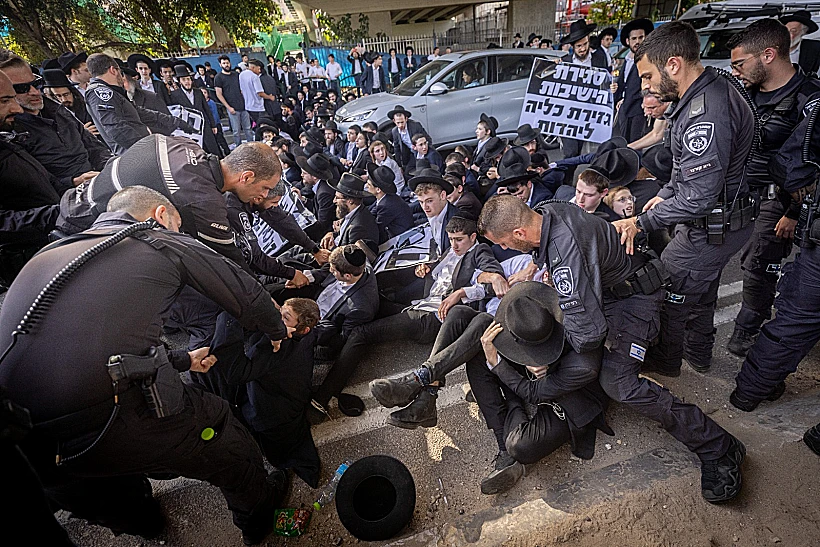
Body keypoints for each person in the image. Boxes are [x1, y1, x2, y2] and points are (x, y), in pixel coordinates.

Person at [1, 186, 289, 545]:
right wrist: (276, 330)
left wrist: (183, 359)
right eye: (177, 225)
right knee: (219, 431)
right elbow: (243, 291)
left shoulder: (53, 253)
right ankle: (258, 517)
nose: (179, 233)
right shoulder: (156, 239)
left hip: (29, 441)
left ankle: (146, 523)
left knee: (103, 488)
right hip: (111, 418)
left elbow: (98, 342)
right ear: (160, 215)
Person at [479, 195, 746, 503]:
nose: (508, 250)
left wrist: (551, 359)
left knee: (619, 383)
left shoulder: (565, 252)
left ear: (519, 234)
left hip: (634, 300)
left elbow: (589, 333)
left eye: (506, 244)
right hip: (615, 288)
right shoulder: (548, 212)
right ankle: (653, 356)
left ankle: (718, 446)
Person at [612, 21, 757, 376]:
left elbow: (698, 198)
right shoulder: (709, 88)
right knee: (702, 293)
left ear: (673, 65)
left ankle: (666, 363)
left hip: (709, 226)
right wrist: (664, 194)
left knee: (667, 293)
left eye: (647, 76)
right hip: (718, 221)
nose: (646, 86)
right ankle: (699, 354)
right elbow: (685, 170)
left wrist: (640, 222)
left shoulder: (704, 113)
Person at [317, 216, 503, 419]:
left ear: (473, 237)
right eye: (451, 239)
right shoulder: (451, 251)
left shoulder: (479, 251)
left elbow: (494, 280)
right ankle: (333, 348)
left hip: (431, 317)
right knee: (370, 310)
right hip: (419, 304)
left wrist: (461, 292)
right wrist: (428, 270)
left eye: (459, 239)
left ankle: (323, 396)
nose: (454, 244)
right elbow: (444, 274)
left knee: (362, 333)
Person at [730, 34, 820, 412]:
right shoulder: (742, 92)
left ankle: (748, 331)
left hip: (780, 203)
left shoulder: (810, 99)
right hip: (742, 193)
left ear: (768, 55)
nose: (735, 71)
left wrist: (794, 211)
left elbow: (800, 168)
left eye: (740, 63)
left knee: (761, 266)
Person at [57, 135, 282, 269]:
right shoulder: (205, 202)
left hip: (73, 198)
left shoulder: (186, 144)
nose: (262, 196)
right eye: (265, 188)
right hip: (81, 233)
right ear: (246, 177)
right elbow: (231, 264)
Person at [210, 298, 321, 488]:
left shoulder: (275, 348)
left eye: (285, 318)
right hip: (289, 400)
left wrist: (228, 317)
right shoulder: (304, 335)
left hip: (272, 411)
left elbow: (236, 373)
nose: (277, 319)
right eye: (280, 312)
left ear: (302, 329)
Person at [1, 54, 110, 184]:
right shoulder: (10, 133)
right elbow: (36, 187)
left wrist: (109, 167)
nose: (35, 92)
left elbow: (93, 146)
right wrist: (73, 182)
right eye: (21, 88)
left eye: (37, 84)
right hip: (67, 198)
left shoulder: (58, 110)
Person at [83, 53, 193, 155]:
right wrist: (145, 149)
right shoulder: (100, 93)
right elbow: (117, 128)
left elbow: (139, 112)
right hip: (136, 155)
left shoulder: (112, 92)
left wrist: (176, 122)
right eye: (121, 73)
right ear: (113, 70)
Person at [558, 19, 610, 170]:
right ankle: (565, 182)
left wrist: (610, 88)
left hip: (588, 114)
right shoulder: (564, 62)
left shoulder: (599, 59)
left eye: (585, 44)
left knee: (581, 152)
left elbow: (605, 82)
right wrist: (553, 70)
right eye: (579, 46)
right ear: (572, 46)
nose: (582, 49)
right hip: (568, 115)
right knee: (570, 152)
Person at [612, 18, 655, 143]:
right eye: (634, 39)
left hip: (639, 109)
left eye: (641, 37)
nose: (638, 42)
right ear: (627, 41)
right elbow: (623, 83)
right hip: (625, 110)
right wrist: (617, 95)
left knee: (636, 146)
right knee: (624, 144)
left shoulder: (650, 59)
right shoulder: (627, 60)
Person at [318, 172, 380, 253]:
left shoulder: (358, 228)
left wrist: (332, 249)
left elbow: (348, 259)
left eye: (337, 198)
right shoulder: (353, 212)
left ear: (350, 200)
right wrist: (333, 234)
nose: (334, 201)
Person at [169, 64, 221, 156]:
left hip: (204, 126)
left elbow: (206, 109)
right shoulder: (175, 95)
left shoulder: (198, 92)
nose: (187, 82)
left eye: (188, 79)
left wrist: (213, 125)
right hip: (188, 130)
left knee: (213, 150)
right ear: (179, 81)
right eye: (184, 79)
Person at [366, 162, 414, 242]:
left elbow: (376, 228)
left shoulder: (386, 205)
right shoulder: (383, 198)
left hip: (401, 237)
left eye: (369, 184)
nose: (366, 186)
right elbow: (372, 212)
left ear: (378, 190)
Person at [295, 152, 337, 238]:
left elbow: (322, 224)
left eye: (305, 173)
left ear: (314, 176)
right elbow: (316, 206)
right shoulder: (320, 187)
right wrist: (303, 199)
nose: (301, 175)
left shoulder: (324, 193)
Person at [215, 55, 253, 146]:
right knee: (236, 131)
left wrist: (246, 102)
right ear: (220, 65)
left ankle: (252, 146)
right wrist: (228, 107)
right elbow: (218, 94)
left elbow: (242, 89)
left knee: (248, 129)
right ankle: (239, 148)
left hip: (243, 106)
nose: (226, 65)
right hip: (232, 108)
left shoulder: (236, 75)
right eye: (224, 63)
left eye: (227, 63)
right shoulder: (218, 77)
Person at [779, 9, 820, 75]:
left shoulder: (814, 49)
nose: (788, 35)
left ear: (803, 32)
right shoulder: (773, 46)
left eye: (793, 31)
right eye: (786, 30)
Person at [390, 105, 428, 172]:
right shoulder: (395, 131)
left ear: (406, 119)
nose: (400, 125)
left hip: (422, 152)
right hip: (411, 154)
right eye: (398, 123)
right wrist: (399, 165)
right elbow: (397, 148)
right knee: (408, 172)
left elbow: (427, 139)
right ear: (394, 121)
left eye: (402, 122)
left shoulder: (415, 126)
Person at [239, 59, 267, 126]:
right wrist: (270, 97)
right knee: (262, 125)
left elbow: (242, 91)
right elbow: (260, 93)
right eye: (258, 69)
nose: (259, 71)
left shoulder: (241, 75)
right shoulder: (254, 77)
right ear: (253, 67)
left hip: (248, 106)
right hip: (258, 106)